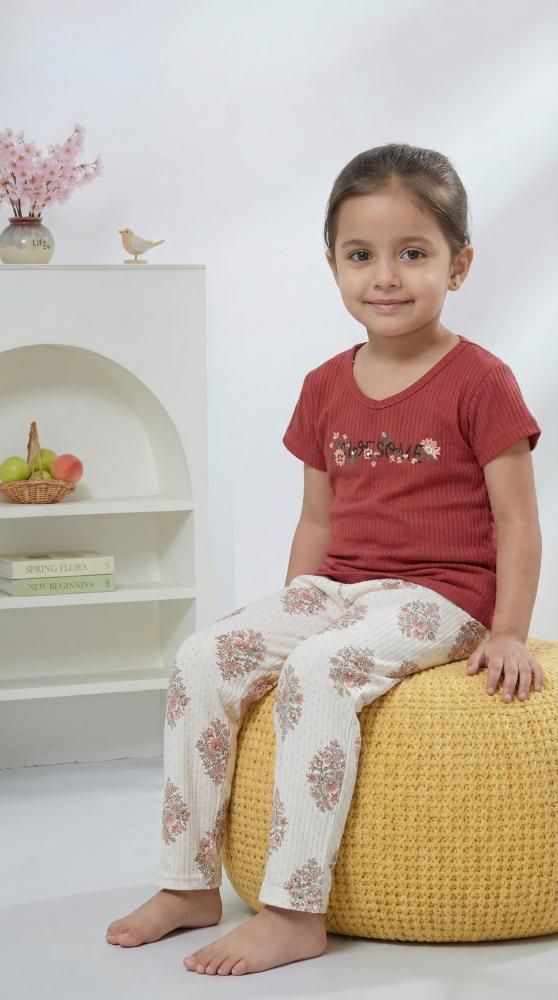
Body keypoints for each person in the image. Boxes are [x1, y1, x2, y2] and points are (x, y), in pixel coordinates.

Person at [105, 142, 544, 975]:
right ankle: (187, 882)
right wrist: (286, 615)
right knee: (202, 657)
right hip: (339, 585)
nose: (386, 277)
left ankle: (294, 909)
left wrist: (510, 631)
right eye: (361, 255)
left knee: (320, 671)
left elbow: (517, 521)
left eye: (413, 253)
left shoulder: (482, 381)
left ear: (459, 265)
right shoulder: (323, 385)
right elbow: (317, 517)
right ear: (333, 264)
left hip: (442, 597)